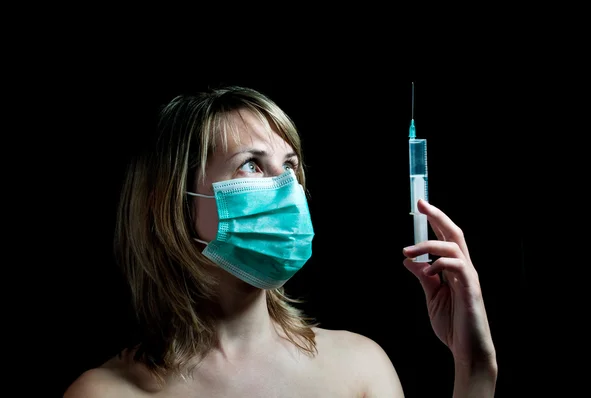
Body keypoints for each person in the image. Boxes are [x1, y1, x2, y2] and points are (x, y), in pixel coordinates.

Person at [64, 85, 497, 397]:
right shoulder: (104, 392)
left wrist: (474, 368)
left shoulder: (359, 367)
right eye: (251, 165)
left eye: (289, 166)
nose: (286, 187)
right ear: (173, 202)